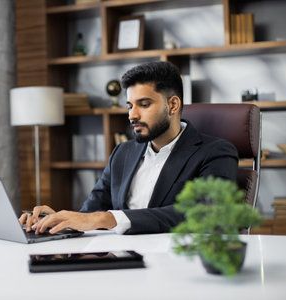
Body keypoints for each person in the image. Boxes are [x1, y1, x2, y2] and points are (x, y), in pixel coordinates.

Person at [19, 61, 238, 235]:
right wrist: (57, 221)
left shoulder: (216, 152)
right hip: (116, 259)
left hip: (174, 266)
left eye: (144, 105)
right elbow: (90, 213)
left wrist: (108, 219)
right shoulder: (122, 153)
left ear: (172, 105)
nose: (132, 115)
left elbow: (204, 213)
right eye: (130, 105)